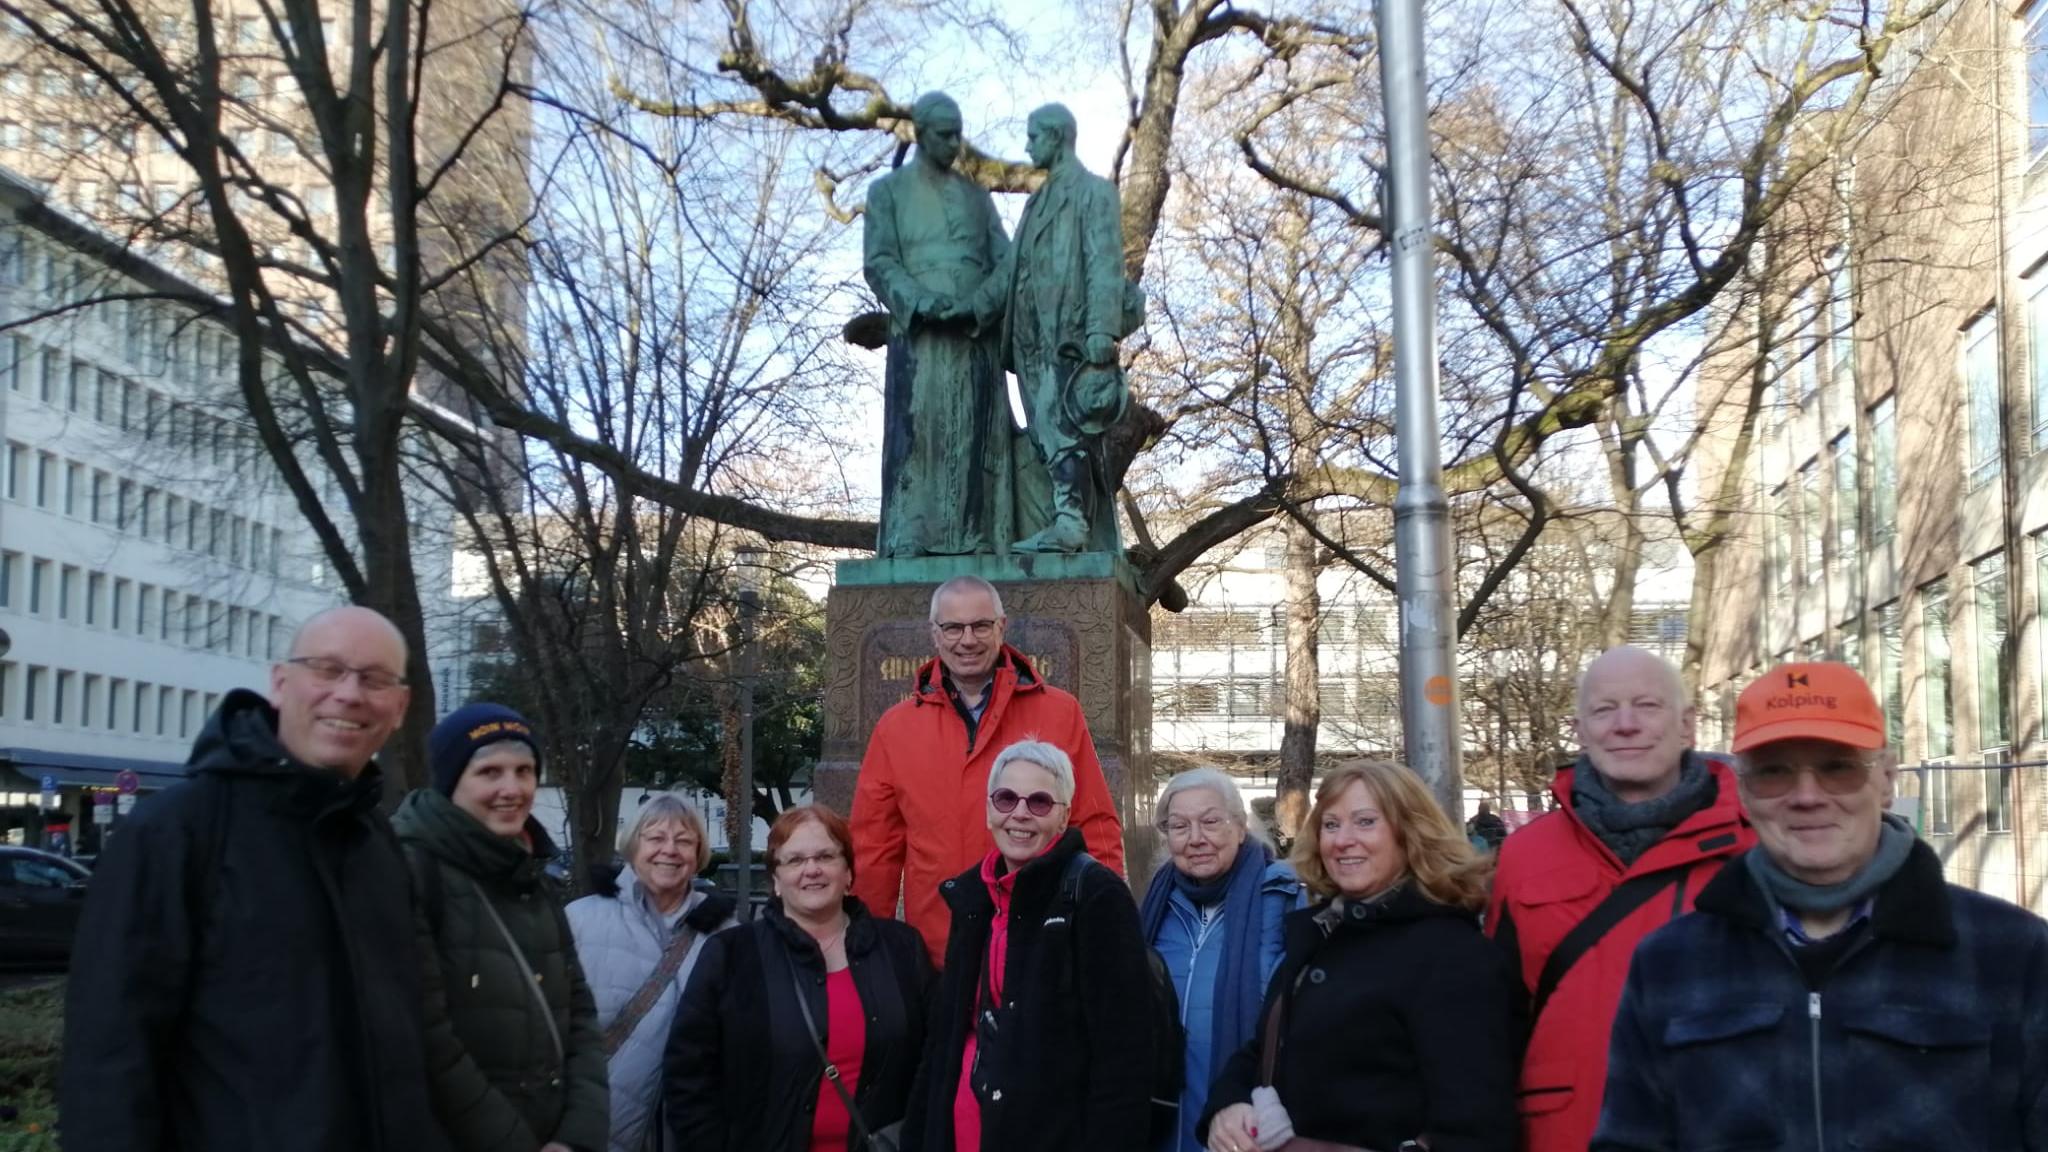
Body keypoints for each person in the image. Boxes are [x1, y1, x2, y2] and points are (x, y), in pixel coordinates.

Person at [1594, 661, 2048, 1149]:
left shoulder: (2012, 954)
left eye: (1838, 767)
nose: (1807, 796)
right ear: (1744, 792)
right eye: (1773, 773)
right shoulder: (1670, 964)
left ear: (1888, 779)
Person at [60, 605, 447, 1152]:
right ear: (281, 683)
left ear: (400, 706)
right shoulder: (177, 830)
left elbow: (406, 1044)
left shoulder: (377, 841)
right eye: (327, 669)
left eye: (375, 679)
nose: (349, 693)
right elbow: (108, 1055)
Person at [1485, 644, 1754, 1152]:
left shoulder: (1755, 846)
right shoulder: (1523, 856)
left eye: (1647, 706)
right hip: (1567, 1135)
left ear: (1687, 725)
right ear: (1580, 730)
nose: (1625, 724)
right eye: (1604, 709)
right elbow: (1497, 1024)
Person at [1201, 761, 1520, 1152]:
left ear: (1409, 832)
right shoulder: (1324, 933)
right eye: (1331, 825)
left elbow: (1477, 1126)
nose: (1342, 840)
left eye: (1365, 822)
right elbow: (1263, 1049)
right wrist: (1227, 1105)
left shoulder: (1452, 955)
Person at [851, 573, 1125, 961]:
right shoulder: (896, 727)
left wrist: (1106, 923)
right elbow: (873, 849)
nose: (967, 640)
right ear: (934, 633)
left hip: (1037, 947)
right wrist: (867, 944)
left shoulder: (1059, 712)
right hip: (938, 949)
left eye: (981, 625)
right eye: (953, 627)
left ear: (1002, 627)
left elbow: (1094, 824)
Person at [902, 740, 1156, 1152]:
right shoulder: (972, 898)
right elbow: (943, 1041)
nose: (1019, 813)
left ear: (1064, 817)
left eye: (1039, 802)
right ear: (988, 810)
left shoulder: (1096, 896)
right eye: (1005, 799)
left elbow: (1123, 1057)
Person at [395, 702, 609, 1152]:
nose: (512, 788)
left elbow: (580, 1017)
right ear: (452, 781)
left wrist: (576, 1137)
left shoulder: (535, 878)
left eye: (524, 770)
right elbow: (427, 1039)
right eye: (490, 772)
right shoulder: (409, 871)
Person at [664, 805, 932, 1152]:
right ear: (775, 880)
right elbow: (688, 1074)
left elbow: (934, 1057)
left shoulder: (901, 949)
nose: (812, 870)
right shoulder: (731, 955)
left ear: (848, 872)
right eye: (794, 860)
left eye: (826, 856)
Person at [970, 102, 1136, 554]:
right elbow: (1009, 273)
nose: (1027, 146)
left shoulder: (1093, 193)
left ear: (1057, 137)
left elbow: (1105, 263)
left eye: (1033, 137)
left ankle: (1072, 523)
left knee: (1062, 427)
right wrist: (967, 311)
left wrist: (1102, 330)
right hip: (1029, 341)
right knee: (1045, 429)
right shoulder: (1036, 203)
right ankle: (1063, 519)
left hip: (1068, 338)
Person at [863, 90, 1017, 557]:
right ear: (922, 134)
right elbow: (880, 260)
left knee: (975, 430)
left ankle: (975, 531)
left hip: (974, 330)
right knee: (920, 429)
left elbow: (1007, 261)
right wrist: (921, 301)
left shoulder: (976, 196)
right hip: (920, 334)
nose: (955, 143)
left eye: (958, 134)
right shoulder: (886, 192)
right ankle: (912, 531)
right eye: (944, 135)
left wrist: (979, 304)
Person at [1139, 767, 1300, 1152]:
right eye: (1179, 826)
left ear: (1240, 827)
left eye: (1211, 821)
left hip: (1248, 1125)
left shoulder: (1286, 899)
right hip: (1160, 1125)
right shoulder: (1154, 907)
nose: (1196, 839)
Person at [567, 795, 738, 1152]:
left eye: (684, 840)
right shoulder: (579, 920)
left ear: (699, 854)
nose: (670, 850)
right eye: (656, 838)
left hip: (689, 1131)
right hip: (595, 1125)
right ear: (633, 846)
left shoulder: (726, 933)